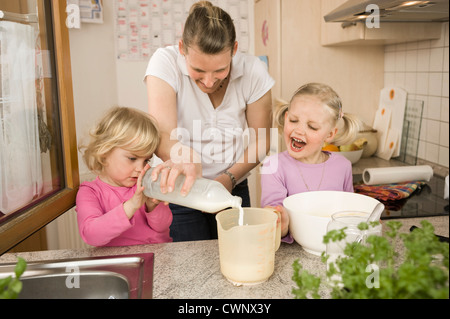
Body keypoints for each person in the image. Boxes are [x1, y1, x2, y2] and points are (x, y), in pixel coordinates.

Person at [145, 1, 275, 242]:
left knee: (235, 261)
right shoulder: (164, 63)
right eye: (198, 70)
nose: (208, 81)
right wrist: (186, 159)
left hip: (232, 186)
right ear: (182, 48)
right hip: (179, 189)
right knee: (190, 271)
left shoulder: (254, 72)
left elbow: (262, 141)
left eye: (220, 71)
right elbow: (162, 135)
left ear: (234, 49)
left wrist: (227, 179)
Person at [260, 83, 361, 242]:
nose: (299, 130)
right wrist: (280, 222)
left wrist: (363, 220)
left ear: (329, 134)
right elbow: (275, 223)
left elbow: (348, 213)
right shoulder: (273, 166)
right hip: (293, 256)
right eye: (293, 120)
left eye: (312, 127)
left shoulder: (343, 166)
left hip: (333, 249)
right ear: (286, 118)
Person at [76, 106, 173, 247]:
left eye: (146, 160)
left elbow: (163, 227)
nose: (141, 169)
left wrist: (152, 207)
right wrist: (132, 205)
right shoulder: (90, 192)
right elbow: (91, 235)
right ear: (104, 152)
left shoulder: (146, 183)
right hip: (118, 263)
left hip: (159, 257)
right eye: (132, 158)